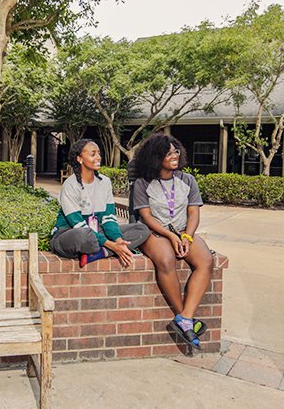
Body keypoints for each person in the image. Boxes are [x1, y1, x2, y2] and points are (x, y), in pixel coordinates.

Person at [132, 133, 214, 349]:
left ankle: (185, 318)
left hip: (183, 230)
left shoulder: (188, 180)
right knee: (166, 260)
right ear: (155, 156)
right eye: (168, 153)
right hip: (154, 232)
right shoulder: (142, 183)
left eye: (175, 151)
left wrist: (186, 235)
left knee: (205, 260)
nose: (174, 156)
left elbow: (194, 212)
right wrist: (169, 236)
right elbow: (146, 216)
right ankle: (185, 320)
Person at [50, 139, 149, 267]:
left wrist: (119, 241)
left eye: (99, 153)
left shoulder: (105, 182)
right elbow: (78, 225)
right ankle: (107, 249)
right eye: (93, 154)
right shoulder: (70, 185)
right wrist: (112, 244)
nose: (98, 157)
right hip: (69, 234)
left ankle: (100, 253)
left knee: (141, 229)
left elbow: (109, 218)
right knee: (85, 236)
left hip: (95, 233)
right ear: (80, 159)